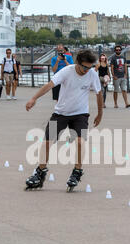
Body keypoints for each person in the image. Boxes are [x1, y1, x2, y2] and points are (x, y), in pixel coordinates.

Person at [24, 49, 103, 191]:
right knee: (47, 142)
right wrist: (34, 98)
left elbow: (98, 94)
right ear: (78, 63)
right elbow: (49, 85)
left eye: (89, 67)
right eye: (84, 67)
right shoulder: (67, 71)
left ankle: (77, 172)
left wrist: (100, 114)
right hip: (60, 114)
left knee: (80, 141)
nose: (86, 70)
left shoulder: (92, 74)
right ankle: (40, 172)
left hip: (80, 115)